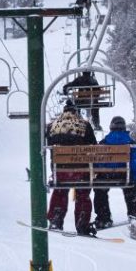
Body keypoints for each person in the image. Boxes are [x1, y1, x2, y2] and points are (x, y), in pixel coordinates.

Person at [93, 116, 136, 229]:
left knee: (100, 190)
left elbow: (98, 163)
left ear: (111, 127)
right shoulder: (130, 143)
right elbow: (135, 164)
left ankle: (103, 217)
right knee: (131, 188)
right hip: (124, 176)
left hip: (106, 176)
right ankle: (134, 212)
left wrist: (102, 171)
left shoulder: (104, 142)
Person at [46, 99, 98, 235]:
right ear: (76, 112)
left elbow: (49, 145)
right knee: (83, 194)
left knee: (60, 191)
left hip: (60, 170)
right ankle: (82, 219)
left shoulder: (52, 126)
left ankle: (56, 218)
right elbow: (93, 145)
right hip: (82, 171)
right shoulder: (84, 125)